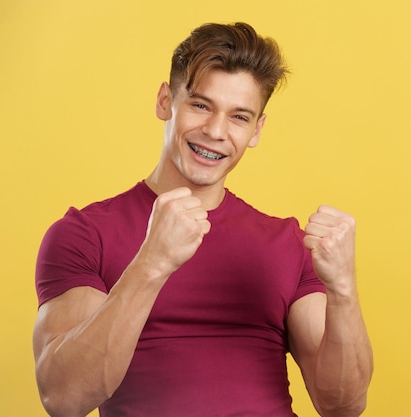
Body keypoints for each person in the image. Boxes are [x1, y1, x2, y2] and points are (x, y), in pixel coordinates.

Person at [33, 22, 373, 417]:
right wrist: (152, 263)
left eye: (239, 117)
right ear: (165, 101)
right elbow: (63, 398)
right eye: (200, 105)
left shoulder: (287, 243)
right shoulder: (84, 234)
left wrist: (344, 289)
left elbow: (343, 406)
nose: (215, 131)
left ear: (257, 130)